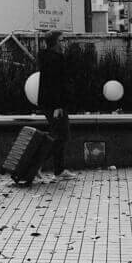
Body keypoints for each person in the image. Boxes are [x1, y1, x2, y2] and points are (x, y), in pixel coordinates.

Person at [38, 30, 76, 181]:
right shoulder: (54, 59)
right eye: (61, 40)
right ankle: (38, 165)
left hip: (51, 103)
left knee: (59, 135)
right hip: (54, 104)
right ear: (54, 42)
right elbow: (55, 85)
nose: (64, 43)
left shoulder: (48, 58)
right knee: (62, 135)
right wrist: (58, 106)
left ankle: (58, 170)